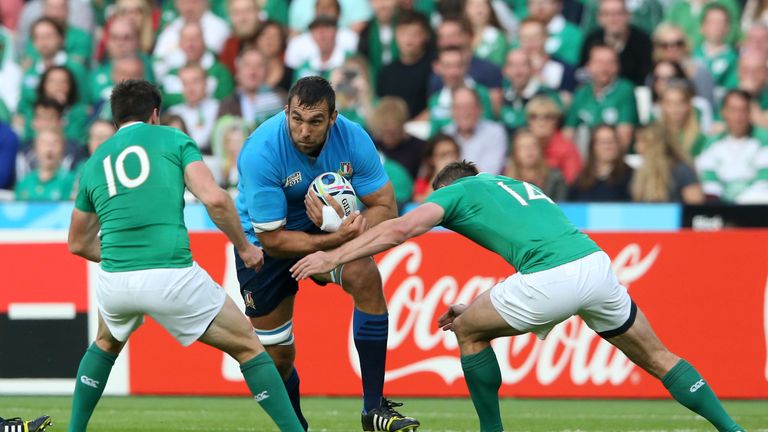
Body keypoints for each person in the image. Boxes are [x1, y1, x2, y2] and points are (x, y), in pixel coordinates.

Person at [289, 159, 747, 432]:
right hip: (596, 265)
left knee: (467, 332)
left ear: (447, 186)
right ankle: (733, 429)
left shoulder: (456, 192)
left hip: (553, 277)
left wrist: (334, 257)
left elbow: (401, 228)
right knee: (658, 356)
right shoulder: (519, 186)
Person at [66, 79, 304, 432]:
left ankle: (74, 430)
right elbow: (215, 199)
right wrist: (244, 246)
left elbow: (78, 243)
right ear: (155, 114)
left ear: (116, 122)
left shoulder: (96, 160)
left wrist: (125, 255)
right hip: (171, 273)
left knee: (105, 343)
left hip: (115, 281)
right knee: (249, 346)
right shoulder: (173, 139)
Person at [234, 76, 420, 432]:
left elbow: (386, 207)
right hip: (264, 246)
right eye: (297, 119)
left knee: (366, 276)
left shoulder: (353, 138)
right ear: (286, 111)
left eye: (316, 121)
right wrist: (336, 238)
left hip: (328, 232)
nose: (304, 130)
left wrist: (348, 225)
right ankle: (296, 427)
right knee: (278, 357)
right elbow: (273, 241)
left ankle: (373, 410)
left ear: (333, 118)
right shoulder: (261, 151)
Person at [696, 89, 768, 203]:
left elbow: (764, 182)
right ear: (723, 112)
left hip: (756, 206)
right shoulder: (711, 143)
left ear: (750, 113)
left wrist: (740, 202)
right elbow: (708, 179)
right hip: (721, 206)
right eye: (733, 110)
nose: (738, 116)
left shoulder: (764, 141)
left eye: (743, 110)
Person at [631, 124, 705, 204]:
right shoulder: (640, 173)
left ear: (654, 144)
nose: (636, 147)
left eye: (641, 141)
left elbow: (696, 206)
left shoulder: (681, 170)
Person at [568, 124, 633, 202]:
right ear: (593, 147)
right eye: (603, 142)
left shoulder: (630, 177)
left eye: (612, 141)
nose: (608, 146)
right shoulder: (581, 179)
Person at [504, 128, 568, 201]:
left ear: (540, 149)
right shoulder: (506, 183)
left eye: (533, 145)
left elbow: (562, 206)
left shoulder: (556, 178)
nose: (528, 150)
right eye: (523, 147)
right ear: (515, 153)